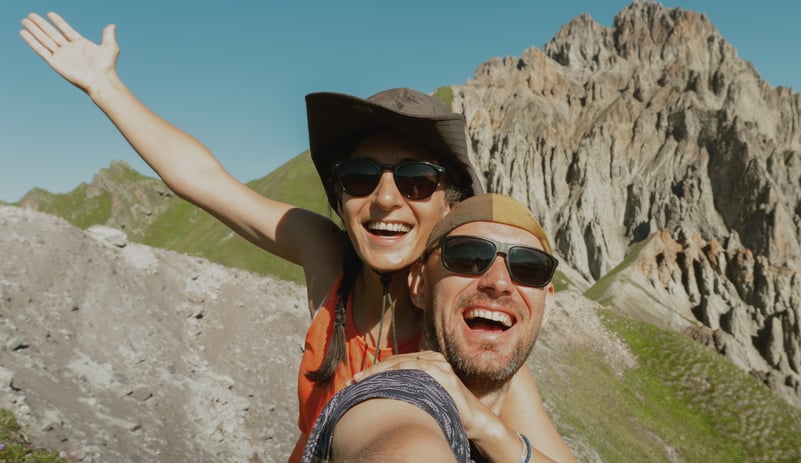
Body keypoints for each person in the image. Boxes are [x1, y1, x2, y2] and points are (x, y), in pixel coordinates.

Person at [19, 12, 576, 463]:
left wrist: (493, 434)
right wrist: (105, 86)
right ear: (339, 196)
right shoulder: (327, 256)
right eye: (360, 177)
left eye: (415, 180)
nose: (385, 199)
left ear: (448, 204)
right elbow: (205, 181)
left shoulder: (470, 322)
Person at [301, 193, 562, 462]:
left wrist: (490, 431)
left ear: (548, 304)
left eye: (528, 267)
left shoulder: (510, 421)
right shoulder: (400, 393)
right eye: (467, 257)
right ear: (419, 285)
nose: (499, 282)